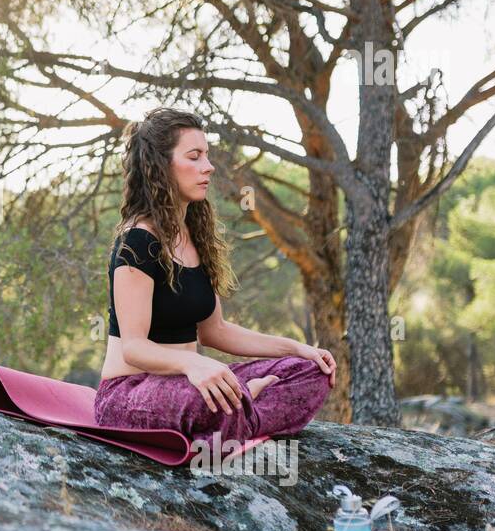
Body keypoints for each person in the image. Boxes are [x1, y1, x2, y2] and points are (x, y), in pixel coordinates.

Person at [94, 107, 336, 447]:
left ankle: (239, 413)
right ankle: (244, 408)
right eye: (194, 157)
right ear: (160, 167)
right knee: (216, 404)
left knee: (311, 371)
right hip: (130, 393)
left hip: (190, 380)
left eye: (206, 156)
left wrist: (299, 348)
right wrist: (192, 364)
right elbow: (134, 348)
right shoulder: (137, 242)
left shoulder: (197, 235)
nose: (208, 166)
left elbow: (215, 331)